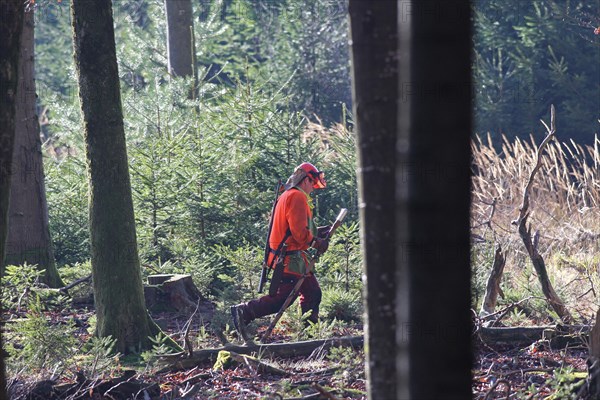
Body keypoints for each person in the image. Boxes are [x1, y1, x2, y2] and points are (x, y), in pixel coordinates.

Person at [231, 162, 330, 338]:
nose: (313, 189)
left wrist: (319, 232)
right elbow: (299, 234)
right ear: (306, 179)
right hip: (289, 260)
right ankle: (243, 312)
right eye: (312, 184)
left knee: (312, 293)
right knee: (282, 299)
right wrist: (316, 243)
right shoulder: (297, 196)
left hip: (294, 258)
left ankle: (309, 334)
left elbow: (295, 229)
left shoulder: (288, 195)